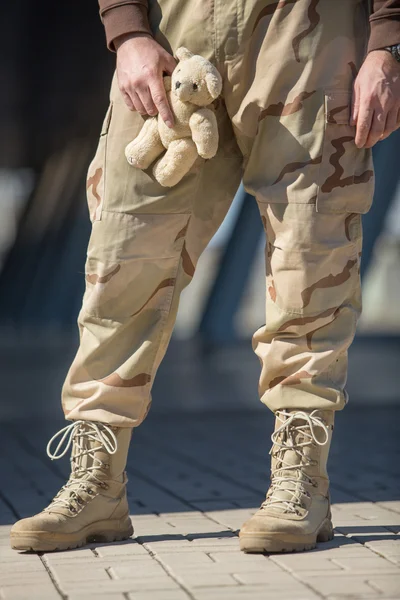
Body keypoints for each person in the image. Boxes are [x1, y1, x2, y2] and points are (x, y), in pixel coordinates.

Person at [10, 0, 400, 554]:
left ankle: (301, 480)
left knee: (311, 253)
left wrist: (388, 43)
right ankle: (95, 482)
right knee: (123, 257)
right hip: (175, 30)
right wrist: (127, 33)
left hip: (311, 28)